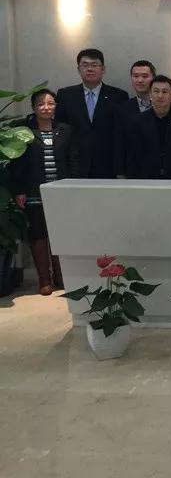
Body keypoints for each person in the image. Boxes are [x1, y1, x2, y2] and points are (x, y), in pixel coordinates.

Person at [11, 89, 79, 295]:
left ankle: (60, 276)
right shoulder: (24, 132)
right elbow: (18, 164)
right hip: (34, 192)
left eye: (50, 103)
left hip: (60, 192)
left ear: (56, 106)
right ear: (33, 107)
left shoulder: (66, 130)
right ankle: (44, 279)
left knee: (59, 233)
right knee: (38, 234)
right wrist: (19, 190)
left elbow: (73, 159)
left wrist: (73, 186)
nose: (46, 107)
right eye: (41, 104)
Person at [55, 48, 128, 178]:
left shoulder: (118, 96)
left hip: (108, 165)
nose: (90, 69)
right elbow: (60, 131)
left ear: (103, 69)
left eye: (94, 65)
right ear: (78, 69)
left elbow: (121, 135)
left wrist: (120, 169)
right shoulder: (65, 95)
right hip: (75, 165)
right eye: (85, 65)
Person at [125, 75, 171, 179]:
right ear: (150, 94)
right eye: (156, 91)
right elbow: (133, 155)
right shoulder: (137, 121)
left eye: (165, 92)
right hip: (145, 178)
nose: (160, 96)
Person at [115, 60, 156, 178]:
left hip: (160, 173)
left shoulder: (167, 105)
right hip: (132, 172)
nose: (140, 80)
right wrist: (120, 172)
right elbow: (118, 143)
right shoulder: (122, 109)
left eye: (145, 76)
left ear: (153, 78)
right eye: (136, 76)